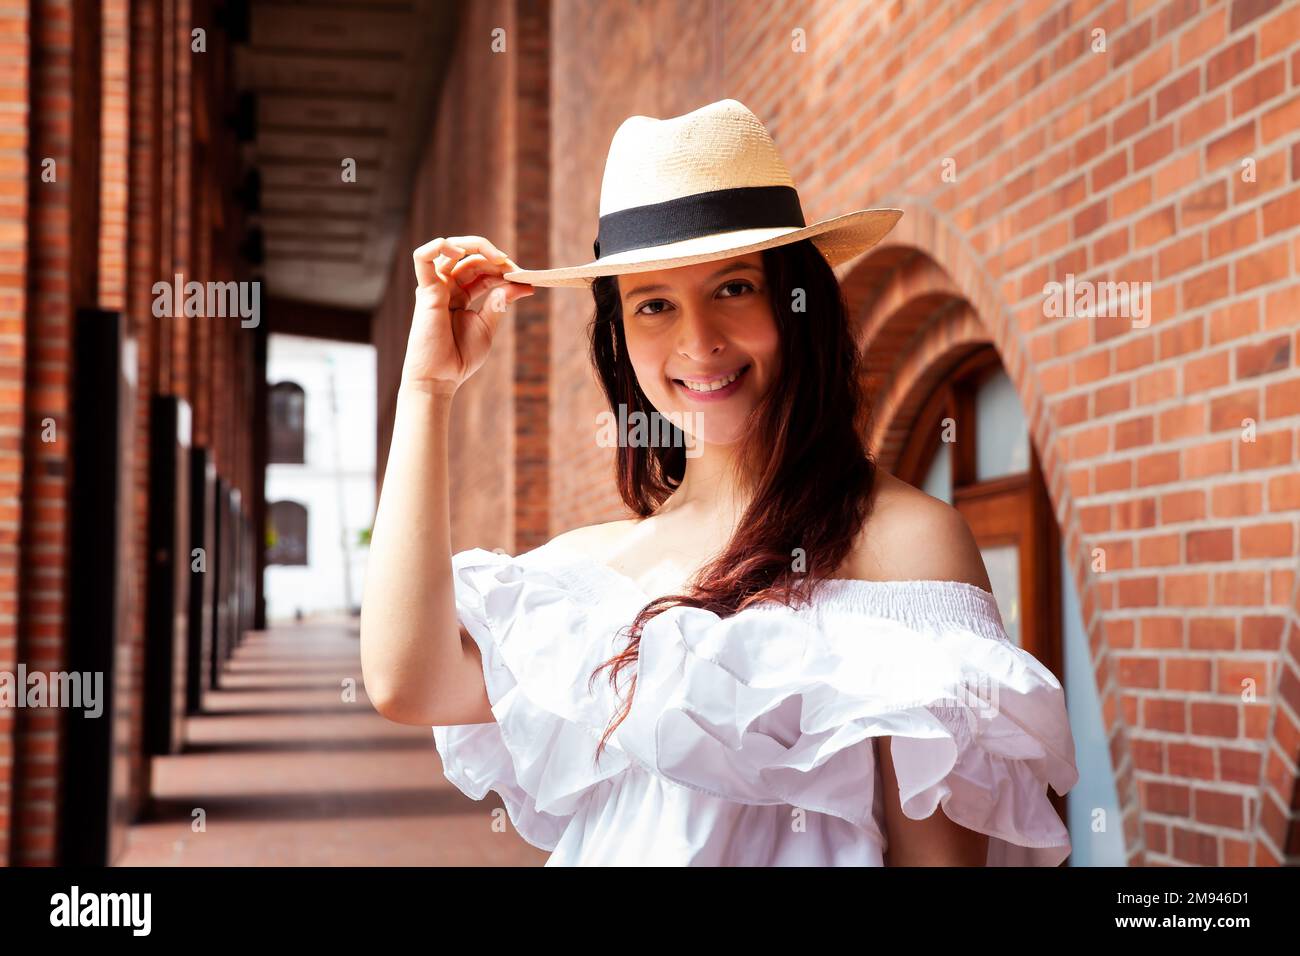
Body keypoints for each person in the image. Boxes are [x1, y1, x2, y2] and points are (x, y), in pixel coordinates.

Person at [360, 99, 1078, 866]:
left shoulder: (901, 544)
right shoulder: (601, 575)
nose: (698, 341)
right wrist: (427, 389)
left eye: (734, 287)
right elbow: (407, 680)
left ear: (796, 302)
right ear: (620, 339)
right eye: (655, 305)